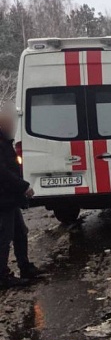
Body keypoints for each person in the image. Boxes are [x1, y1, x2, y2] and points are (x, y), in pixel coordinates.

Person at [0, 104, 43, 289]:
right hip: (3, 200)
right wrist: (24, 186)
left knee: (20, 233)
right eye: (10, 125)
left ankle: (25, 266)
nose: (13, 128)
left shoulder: (5, 141)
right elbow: (3, 173)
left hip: (10, 198)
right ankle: (3, 276)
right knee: (4, 237)